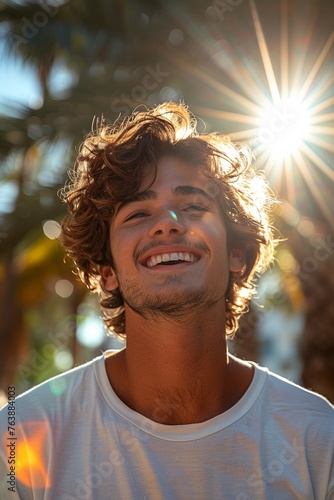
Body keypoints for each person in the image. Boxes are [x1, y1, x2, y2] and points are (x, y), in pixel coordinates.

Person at [0, 102, 333, 499]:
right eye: (138, 213)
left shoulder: (317, 437)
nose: (167, 223)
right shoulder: (21, 440)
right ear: (107, 271)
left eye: (194, 206)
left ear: (236, 254)